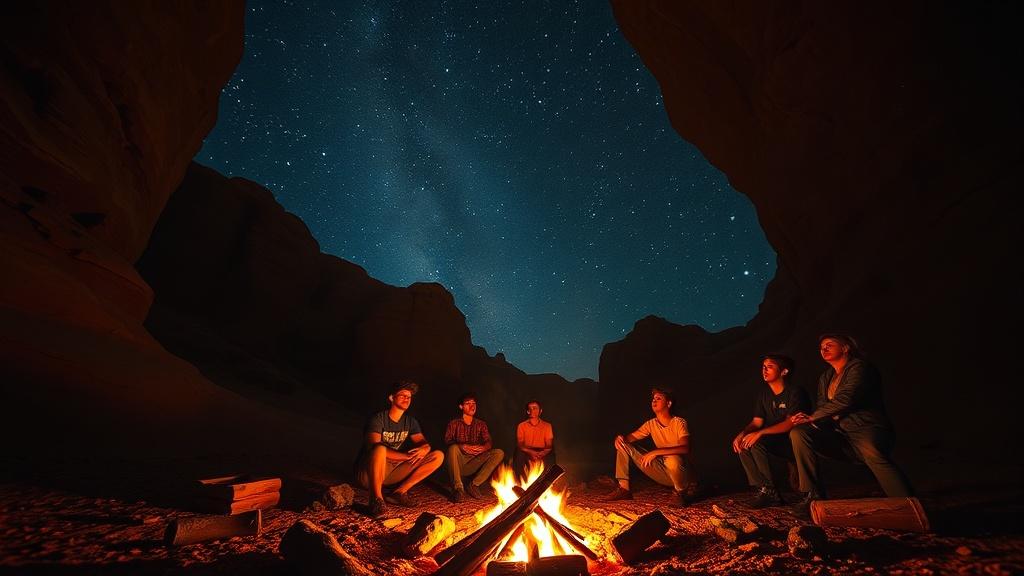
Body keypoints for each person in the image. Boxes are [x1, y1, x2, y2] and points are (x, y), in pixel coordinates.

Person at [789, 334, 914, 517]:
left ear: (846, 348)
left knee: (873, 453)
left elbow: (847, 398)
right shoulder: (826, 377)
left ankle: (908, 503)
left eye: (829, 345)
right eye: (821, 347)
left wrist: (814, 416)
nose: (823, 349)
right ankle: (812, 495)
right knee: (800, 433)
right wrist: (814, 422)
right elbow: (824, 406)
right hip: (839, 433)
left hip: (865, 427)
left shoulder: (860, 367)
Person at [355, 380, 444, 518]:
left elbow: (423, 442)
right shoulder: (378, 419)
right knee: (379, 449)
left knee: (438, 455)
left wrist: (425, 449)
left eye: (409, 397)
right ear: (391, 398)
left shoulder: (410, 422)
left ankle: (399, 493)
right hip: (368, 473)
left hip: (392, 472)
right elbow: (373, 447)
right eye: (402, 395)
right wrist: (406, 457)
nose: (407, 399)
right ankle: (376, 500)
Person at [732, 354, 811, 508]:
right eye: (763, 366)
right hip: (773, 441)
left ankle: (771, 492)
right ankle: (766, 489)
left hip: (794, 442)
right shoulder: (764, 394)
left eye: (770, 366)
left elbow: (791, 423)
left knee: (756, 442)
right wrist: (742, 434)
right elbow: (757, 422)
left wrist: (760, 433)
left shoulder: (795, 392)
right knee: (744, 442)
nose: (764, 370)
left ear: (784, 371)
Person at [603, 386, 698, 506]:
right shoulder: (651, 424)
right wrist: (620, 438)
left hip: (682, 474)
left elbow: (685, 448)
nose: (654, 401)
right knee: (623, 445)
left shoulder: (679, 422)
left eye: (658, 398)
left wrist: (655, 452)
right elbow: (629, 438)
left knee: (673, 459)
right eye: (653, 398)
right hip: (664, 472)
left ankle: (680, 493)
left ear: (668, 403)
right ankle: (624, 489)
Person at [444, 392, 504, 502]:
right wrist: (461, 446)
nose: (472, 406)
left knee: (498, 452)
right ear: (461, 406)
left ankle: (474, 485)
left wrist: (484, 448)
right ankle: (458, 489)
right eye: (468, 403)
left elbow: (488, 441)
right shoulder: (454, 423)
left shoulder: (481, 424)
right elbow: (447, 441)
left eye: (474, 403)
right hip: (458, 461)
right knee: (453, 448)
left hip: (474, 461)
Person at [513, 399, 556, 480]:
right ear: (528, 412)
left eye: (535, 408)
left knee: (551, 454)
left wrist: (541, 453)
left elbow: (549, 445)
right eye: (530, 409)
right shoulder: (521, 426)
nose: (533, 410)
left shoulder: (547, 426)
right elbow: (520, 444)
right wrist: (531, 452)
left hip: (542, 451)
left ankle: (548, 482)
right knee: (518, 452)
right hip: (527, 451)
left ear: (540, 411)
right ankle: (522, 483)